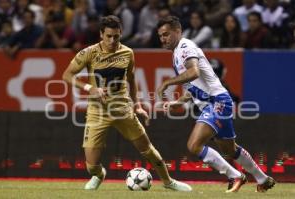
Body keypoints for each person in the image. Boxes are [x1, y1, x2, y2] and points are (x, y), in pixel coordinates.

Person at [62, 15, 192, 192]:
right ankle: (99, 174)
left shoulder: (128, 53)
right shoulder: (88, 53)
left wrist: (137, 105)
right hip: (98, 111)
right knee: (91, 165)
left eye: (116, 36)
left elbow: (131, 79)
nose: (112, 40)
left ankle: (168, 181)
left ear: (121, 34)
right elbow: (66, 75)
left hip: (122, 109)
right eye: (108, 36)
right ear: (101, 34)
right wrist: (89, 88)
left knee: (147, 149)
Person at [156, 16, 275, 193]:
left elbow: (194, 72)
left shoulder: (185, 46)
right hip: (215, 102)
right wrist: (178, 102)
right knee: (230, 150)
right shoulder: (176, 54)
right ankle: (263, 179)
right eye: (160, 36)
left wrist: (168, 82)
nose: (163, 39)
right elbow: (193, 86)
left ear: (178, 31)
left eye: (166, 34)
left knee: (194, 145)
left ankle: (235, 175)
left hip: (217, 101)